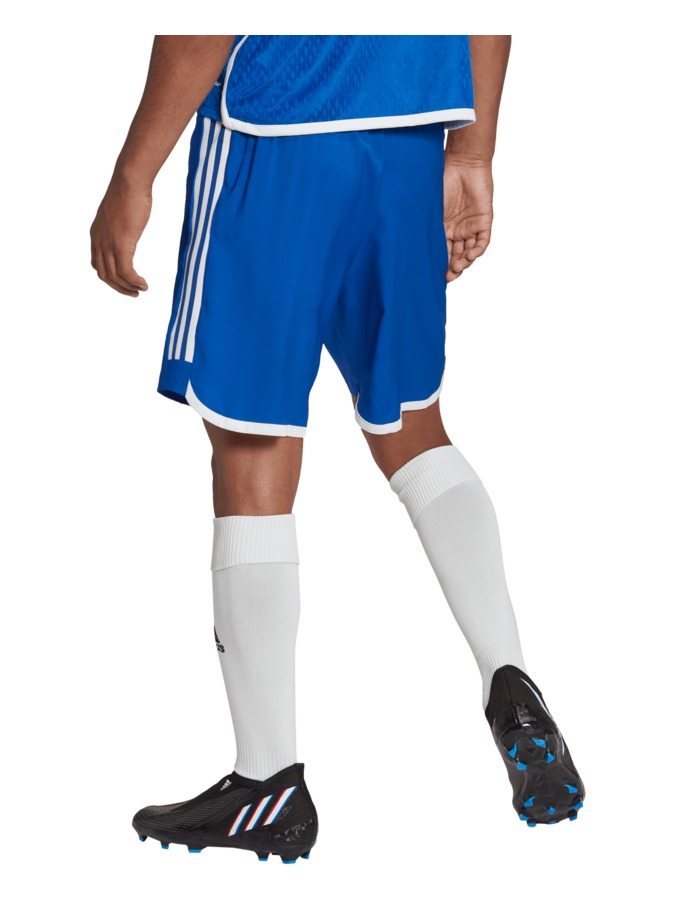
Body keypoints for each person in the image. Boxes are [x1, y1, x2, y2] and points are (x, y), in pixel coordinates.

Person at [90, 34, 585, 863]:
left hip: (274, 134)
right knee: (413, 429)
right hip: (409, 140)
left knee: (252, 447)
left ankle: (267, 783)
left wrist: (132, 173)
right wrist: (472, 153)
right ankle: (508, 674)